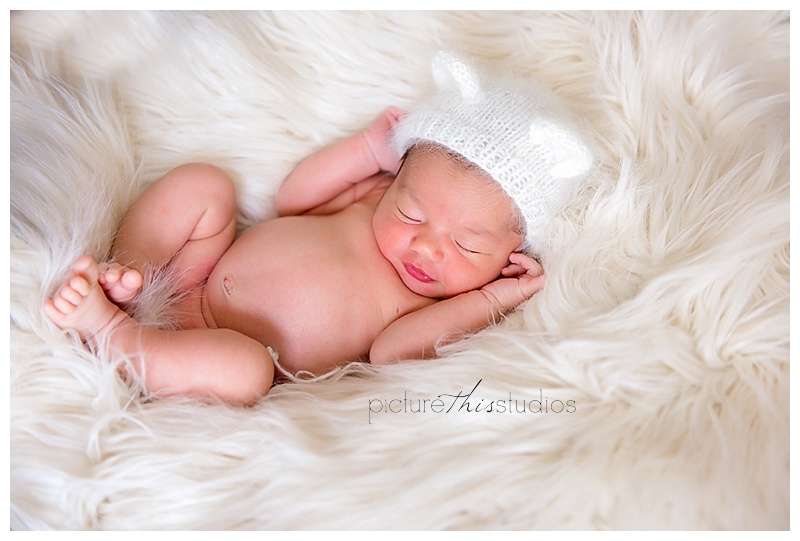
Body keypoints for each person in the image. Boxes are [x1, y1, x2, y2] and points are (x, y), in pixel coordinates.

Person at [44, 52, 593, 405]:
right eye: (411, 213)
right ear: (394, 181)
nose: (426, 245)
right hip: (195, 276)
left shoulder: (437, 304)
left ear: (507, 255)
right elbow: (293, 199)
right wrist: (363, 151)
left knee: (247, 372)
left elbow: (391, 354)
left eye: (466, 245)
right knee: (203, 186)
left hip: (222, 348)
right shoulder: (368, 201)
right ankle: (128, 274)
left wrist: (495, 298)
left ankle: (115, 335)